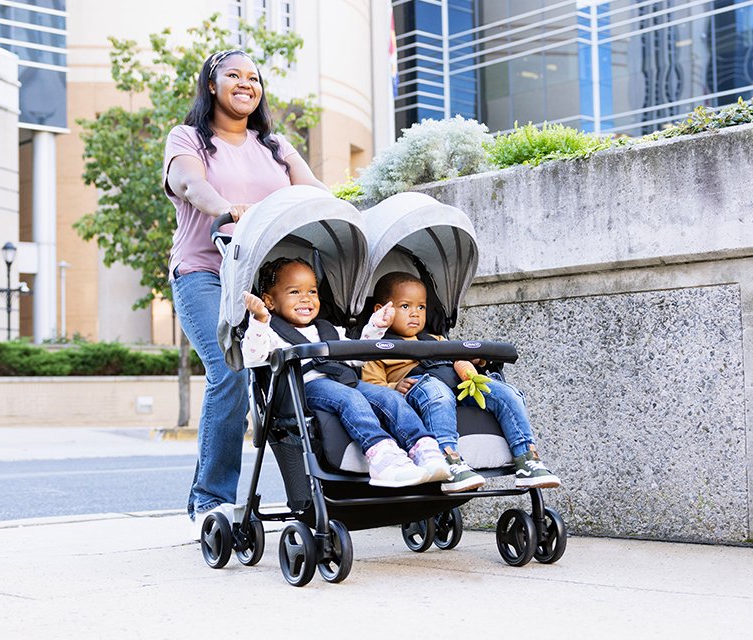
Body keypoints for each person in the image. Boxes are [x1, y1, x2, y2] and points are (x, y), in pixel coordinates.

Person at [163, 49, 328, 534]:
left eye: (253, 77)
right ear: (211, 85)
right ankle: (211, 501)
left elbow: (314, 191)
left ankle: (313, 492)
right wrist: (229, 210)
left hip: (264, 284)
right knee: (230, 371)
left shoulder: (275, 144)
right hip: (204, 274)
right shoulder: (189, 137)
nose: (245, 83)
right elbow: (189, 183)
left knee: (292, 378)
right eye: (232, 75)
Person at [242, 258, 451, 487]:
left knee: (388, 397)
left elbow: (357, 354)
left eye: (312, 291)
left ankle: (425, 449)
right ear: (270, 301)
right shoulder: (270, 332)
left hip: (343, 383)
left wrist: (376, 326)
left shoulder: (329, 329)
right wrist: (259, 320)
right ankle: (382, 456)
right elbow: (253, 356)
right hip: (303, 388)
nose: (306, 298)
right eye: (294, 291)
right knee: (349, 398)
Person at [361, 271, 562, 493]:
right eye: (405, 306)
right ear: (381, 310)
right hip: (420, 389)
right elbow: (371, 387)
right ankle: (450, 461)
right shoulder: (376, 348)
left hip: (458, 383)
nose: (415, 314)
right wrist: (393, 388)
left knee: (506, 393)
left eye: (421, 307)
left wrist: (475, 361)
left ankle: (527, 458)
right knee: (437, 391)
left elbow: (459, 358)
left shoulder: (436, 340)